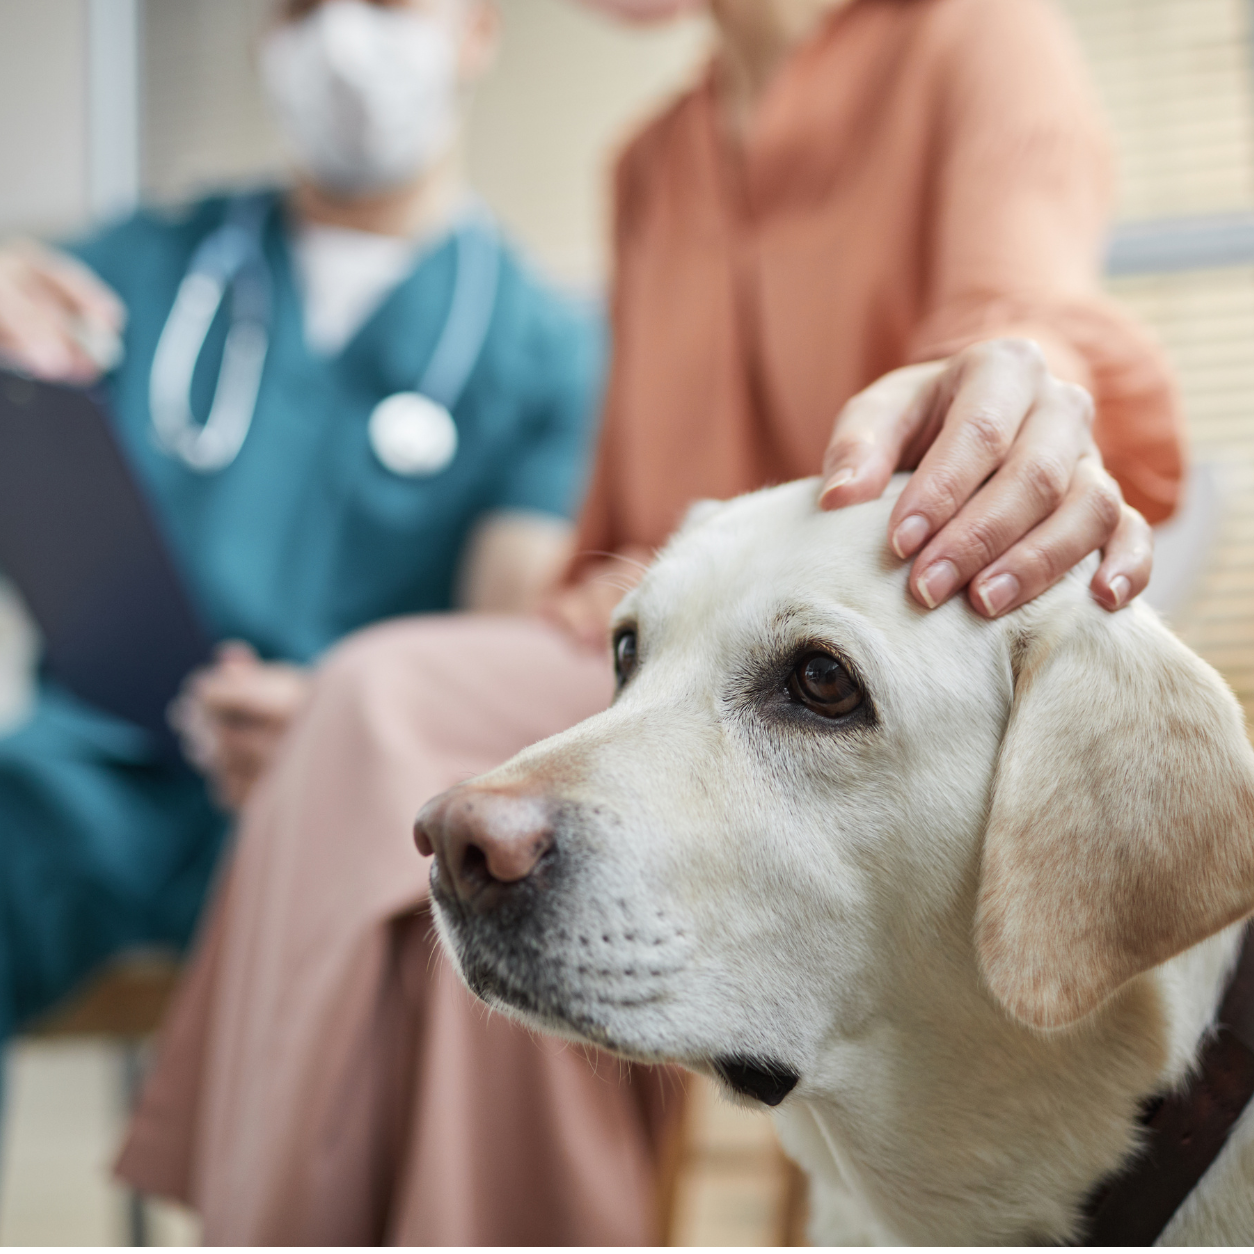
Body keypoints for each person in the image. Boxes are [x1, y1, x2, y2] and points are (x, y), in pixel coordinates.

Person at [116, 0, 1184, 1243]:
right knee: (380, 737)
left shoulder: (973, 40)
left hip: (866, 671)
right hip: (647, 662)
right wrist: (399, 709)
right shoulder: (649, 163)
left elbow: (1023, 309)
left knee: (386, 718)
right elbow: (618, 551)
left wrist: (1014, 382)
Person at [0, 0, 602, 1043]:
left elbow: (489, 658)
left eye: (386, 6)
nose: (343, 41)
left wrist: (343, 731)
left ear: (477, 32)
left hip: (346, 808)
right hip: (94, 786)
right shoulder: (144, 267)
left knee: (409, 1003)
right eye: (303, 8)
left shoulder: (543, 347)